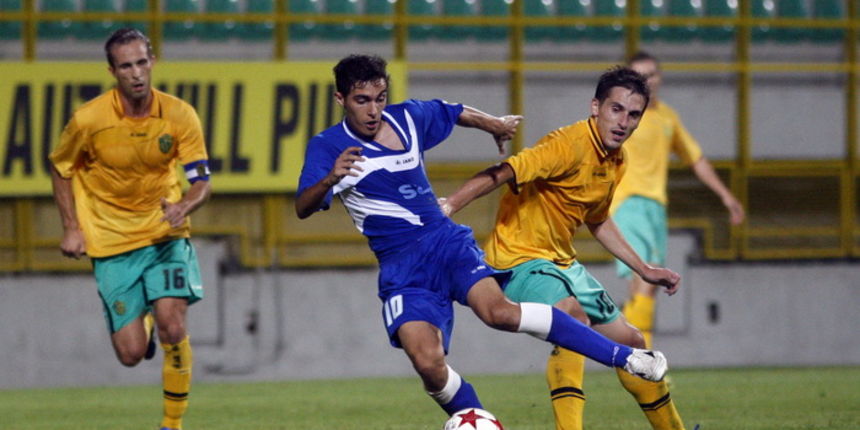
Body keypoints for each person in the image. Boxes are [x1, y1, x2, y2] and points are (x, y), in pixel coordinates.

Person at [295, 54, 669, 418]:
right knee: (428, 363)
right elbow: (303, 206)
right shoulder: (327, 147)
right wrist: (330, 178)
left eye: (380, 99)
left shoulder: (407, 117)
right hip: (402, 268)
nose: (373, 110)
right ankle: (475, 416)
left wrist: (494, 124)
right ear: (341, 99)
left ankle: (628, 357)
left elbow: (451, 109)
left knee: (499, 313)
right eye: (362, 101)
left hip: (447, 244)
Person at [440, 66, 685, 430]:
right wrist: (450, 205)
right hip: (519, 259)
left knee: (633, 343)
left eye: (633, 114)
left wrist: (644, 269)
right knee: (572, 318)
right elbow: (504, 171)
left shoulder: (616, 161)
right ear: (595, 107)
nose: (623, 121)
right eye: (616, 109)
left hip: (561, 262)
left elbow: (598, 220)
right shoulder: (565, 146)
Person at [50, 28, 211, 430]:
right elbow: (60, 167)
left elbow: (201, 181)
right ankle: (148, 319)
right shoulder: (89, 120)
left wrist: (184, 206)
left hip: (164, 234)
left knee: (174, 324)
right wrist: (71, 227)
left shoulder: (179, 114)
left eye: (142, 62)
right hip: (111, 241)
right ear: (112, 71)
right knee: (131, 353)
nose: (136, 73)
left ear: (152, 61)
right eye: (126, 66)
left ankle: (172, 425)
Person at [616, 51, 744, 350]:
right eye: (639, 76)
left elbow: (695, 158)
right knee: (647, 276)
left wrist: (726, 196)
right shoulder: (622, 116)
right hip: (625, 203)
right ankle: (642, 358)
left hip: (655, 207)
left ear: (660, 78)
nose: (647, 81)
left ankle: (631, 351)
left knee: (645, 285)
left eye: (652, 74)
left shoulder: (667, 117)